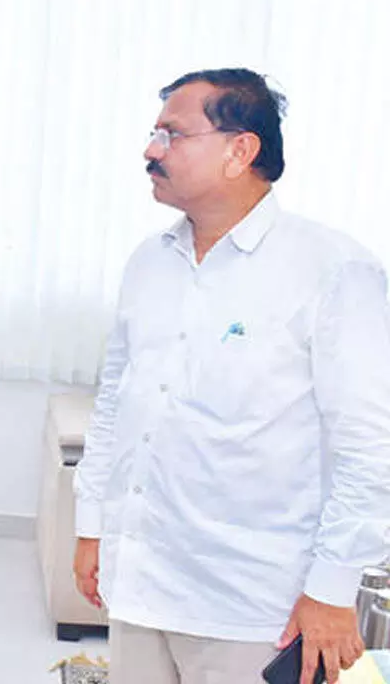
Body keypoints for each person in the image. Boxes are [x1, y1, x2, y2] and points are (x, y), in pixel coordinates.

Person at [72, 68, 390, 684]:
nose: (149, 150)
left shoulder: (333, 271)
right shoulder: (149, 263)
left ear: (240, 151)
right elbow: (115, 405)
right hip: (141, 583)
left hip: (254, 607)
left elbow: (371, 446)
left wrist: (331, 588)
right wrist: (92, 530)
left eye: (171, 134)